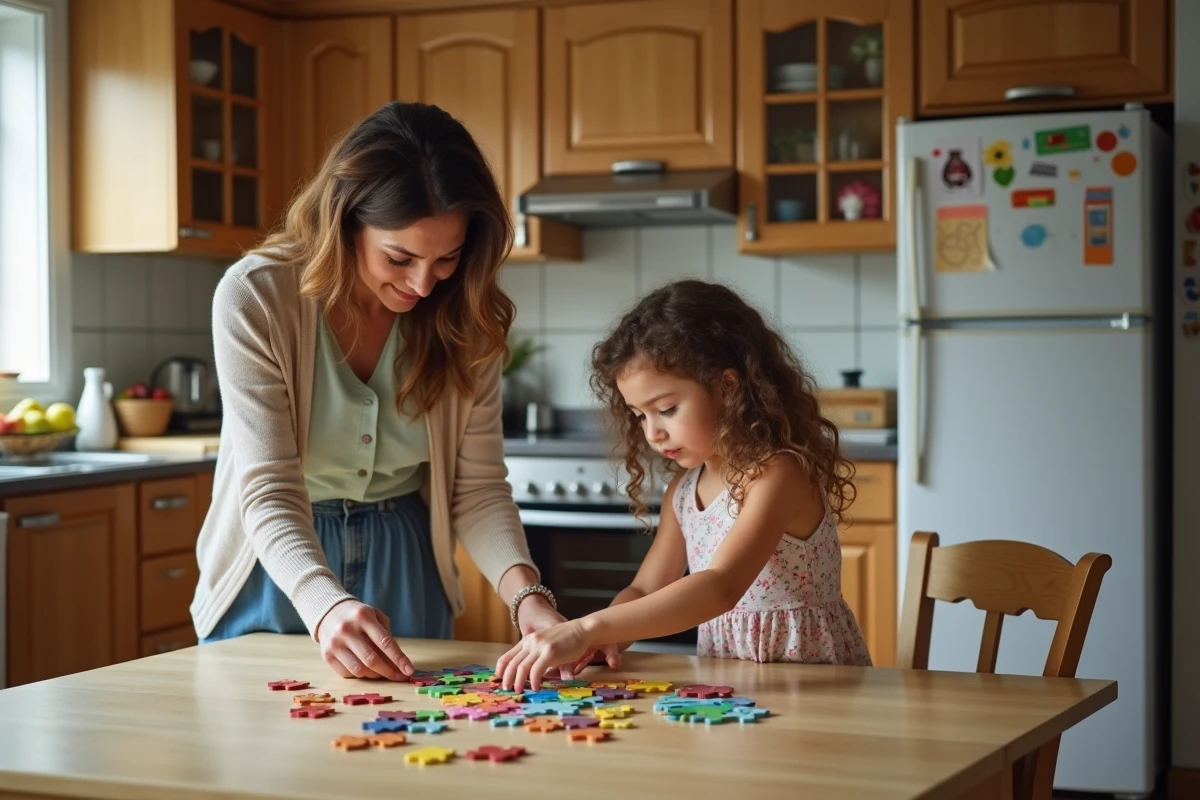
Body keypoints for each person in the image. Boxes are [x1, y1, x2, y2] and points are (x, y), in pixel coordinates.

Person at [190, 101, 566, 680]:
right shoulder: (257, 296)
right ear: (346, 221)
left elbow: (479, 489)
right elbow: (267, 489)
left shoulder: (466, 314)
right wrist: (326, 605)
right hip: (275, 566)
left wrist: (527, 597)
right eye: (400, 257)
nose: (422, 283)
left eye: (446, 258)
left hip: (405, 560)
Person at [496, 279, 872, 690]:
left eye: (666, 409)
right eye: (639, 415)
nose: (652, 432)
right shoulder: (685, 488)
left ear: (728, 388)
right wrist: (604, 640)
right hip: (734, 685)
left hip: (815, 681)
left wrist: (587, 628)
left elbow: (720, 587)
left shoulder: (778, 473)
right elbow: (643, 588)